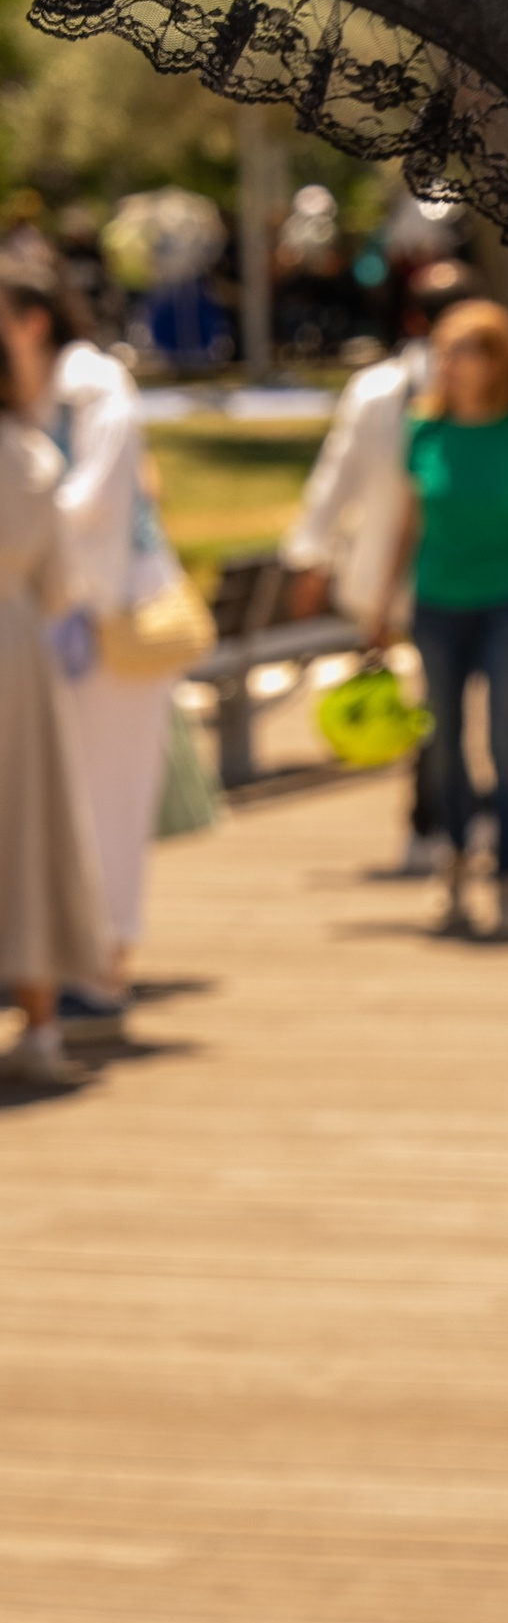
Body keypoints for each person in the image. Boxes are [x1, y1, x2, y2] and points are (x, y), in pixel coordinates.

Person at [0, 245, 191, 1013]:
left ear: (31, 319)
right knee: (58, 794)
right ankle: (57, 955)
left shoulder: (93, 384)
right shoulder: (27, 399)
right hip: (48, 614)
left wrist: (28, 518)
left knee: (110, 790)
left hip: (112, 617)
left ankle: (106, 960)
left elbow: (96, 498)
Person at [380, 302, 508, 941]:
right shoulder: (423, 430)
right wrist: (384, 603)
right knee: (443, 744)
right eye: (444, 351)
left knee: (502, 744)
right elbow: (406, 525)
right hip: (437, 603)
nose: (450, 365)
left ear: (498, 359)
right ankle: (455, 862)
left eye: (464, 351)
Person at [282, 257, 472, 872]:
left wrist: (310, 555)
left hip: (410, 580)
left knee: (443, 700)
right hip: (445, 578)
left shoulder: (375, 389)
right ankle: (439, 812)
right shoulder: (394, 391)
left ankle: (440, 811)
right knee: (448, 700)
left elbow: (334, 480)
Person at [0, 291, 112, 1086]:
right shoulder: (26, 453)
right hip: (13, 653)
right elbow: (61, 583)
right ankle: (39, 1027)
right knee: (26, 831)